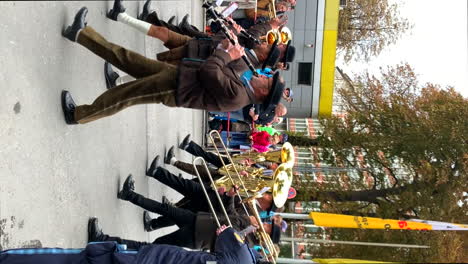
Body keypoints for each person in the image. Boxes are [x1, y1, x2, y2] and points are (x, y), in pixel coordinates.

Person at [61, 7, 284, 124]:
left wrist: (225, 53)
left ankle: (79, 115)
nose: (264, 76)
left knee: (124, 95)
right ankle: (81, 34)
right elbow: (222, 68)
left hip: (176, 88)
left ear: (264, 91)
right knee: (127, 58)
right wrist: (231, 46)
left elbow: (210, 71)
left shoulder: (238, 96)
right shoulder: (245, 85)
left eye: (267, 79)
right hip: (179, 76)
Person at [93, 175, 254, 252]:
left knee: (153, 246)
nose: (264, 222)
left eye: (268, 225)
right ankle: (128, 194)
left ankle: (105, 244)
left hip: (197, 237)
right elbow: (230, 213)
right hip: (200, 219)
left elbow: (223, 247)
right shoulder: (248, 225)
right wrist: (230, 197)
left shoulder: (248, 243)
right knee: (165, 209)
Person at [0, 225, 269, 264]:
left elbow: (225, 233)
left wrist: (236, 231)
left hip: (147, 260)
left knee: (69, 259)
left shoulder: (243, 255)